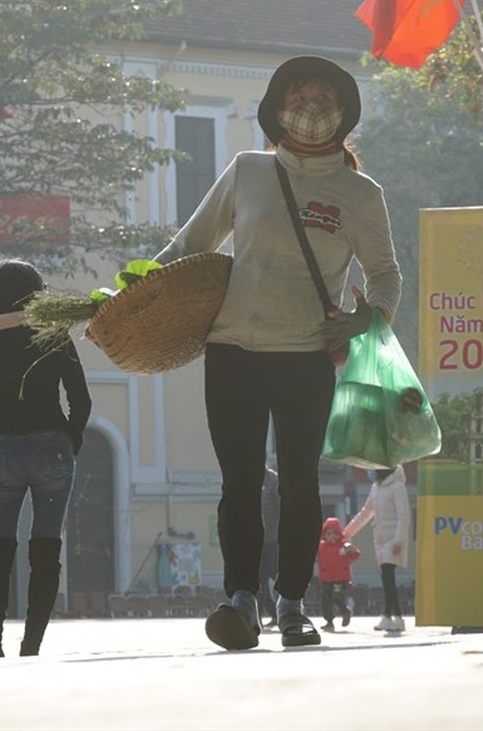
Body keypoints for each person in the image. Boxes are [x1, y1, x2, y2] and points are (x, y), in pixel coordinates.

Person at [151, 55, 402, 650]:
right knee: (238, 482)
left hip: (308, 356)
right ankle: (240, 597)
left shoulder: (360, 194)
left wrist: (367, 319)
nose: (311, 107)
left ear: (342, 114)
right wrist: (131, 292)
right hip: (232, 348)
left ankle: (292, 602)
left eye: (323, 98)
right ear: (278, 108)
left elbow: (386, 273)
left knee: (299, 484)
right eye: (301, 95)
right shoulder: (248, 171)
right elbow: (189, 245)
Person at [0, 259, 92, 658]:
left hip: (4, 452)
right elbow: (80, 399)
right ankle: (31, 645)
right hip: (53, 449)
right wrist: (71, 439)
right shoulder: (52, 333)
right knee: (46, 551)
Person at [344, 465, 410, 632]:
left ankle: (387, 616)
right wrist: (347, 532)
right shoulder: (376, 488)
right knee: (387, 579)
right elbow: (366, 512)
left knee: (388, 576)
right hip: (380, 540)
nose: (370, 472)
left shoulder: (397, 487)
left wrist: (398, 541)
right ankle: (398, 618)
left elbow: (404, 516)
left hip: (393, 540)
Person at [316, 517, 361, 631]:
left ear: (339, 534)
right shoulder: (321, 546)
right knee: (325, 599)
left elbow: (356, 556)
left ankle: (345, 612)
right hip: (326, 578)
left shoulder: (344, 546)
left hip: (341, 579)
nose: (332, 537)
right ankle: (329, 621)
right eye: (329, 534)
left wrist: (352, 550)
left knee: (337, 597)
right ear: (324, 534)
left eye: (335, 534)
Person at [257, 464, 280, 628]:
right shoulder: (248, 478)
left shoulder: (273, 480)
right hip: (256, 541)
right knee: (259, 582)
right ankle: (259, 617)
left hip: (273, 540)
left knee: (277, 578)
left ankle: (283, 613)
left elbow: (280, 508)